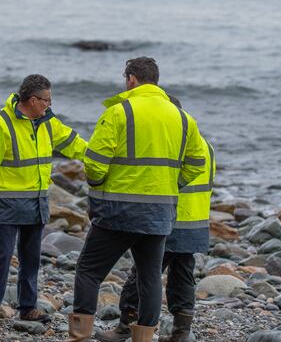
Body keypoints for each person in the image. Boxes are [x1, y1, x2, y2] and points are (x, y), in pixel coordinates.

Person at [68, 57, 206, 342]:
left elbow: (94, 162)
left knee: (89, 271)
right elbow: (197, 164)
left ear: (131, 79)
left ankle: (79, 336)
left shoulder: (119, 112)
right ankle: (142, 338)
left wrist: (97, 183)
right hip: (159, 213)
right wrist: (172, 185)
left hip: (118, 210)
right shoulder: (183, 118)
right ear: (155, 79)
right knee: (150, 277)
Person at [0, 74, 88, 325]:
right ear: (33, 100)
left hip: (37, 203)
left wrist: (102, 158)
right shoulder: (0, 123)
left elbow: (74, 144)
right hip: (7, 203)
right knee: (1, 257)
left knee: (32, 258)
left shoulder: (48, 122)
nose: (50, 104)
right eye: (47, 100)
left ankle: (28, 307)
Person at [96, 134, 216, 342]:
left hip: (168, 218)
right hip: (195, 221)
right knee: (183, 276)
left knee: (143, 274)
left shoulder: (172, 143)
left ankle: (126, 326)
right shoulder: (205, 145)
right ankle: (181, 333)